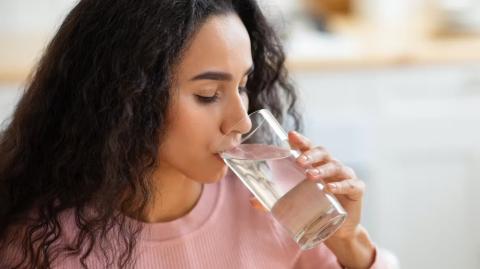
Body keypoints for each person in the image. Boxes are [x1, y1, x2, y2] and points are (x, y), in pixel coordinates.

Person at [0, 0, 396, 268]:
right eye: (208, 95)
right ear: (127, 96)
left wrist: (350, 242)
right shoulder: (42, 243)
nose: (241, 121)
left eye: (242, 85)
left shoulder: (280, 205)